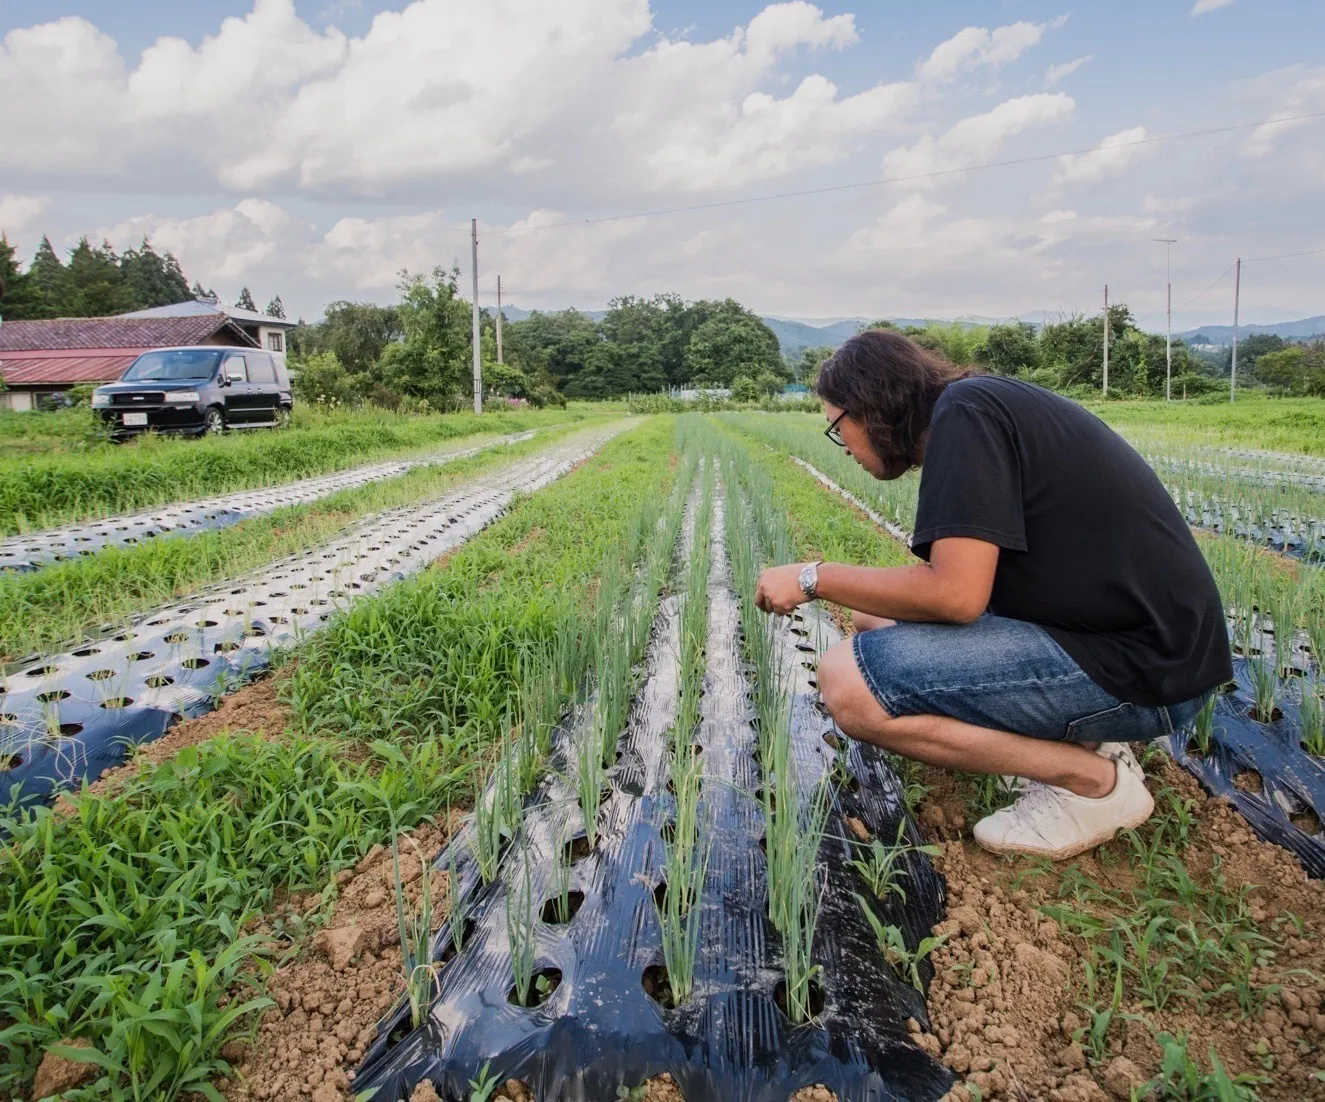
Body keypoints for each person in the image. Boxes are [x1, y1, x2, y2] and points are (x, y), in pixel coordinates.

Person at [753, 329, 1231, 860]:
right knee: (870, 618)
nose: (844, 449)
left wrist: (811, 578)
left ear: (869, 407)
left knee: (848, 684)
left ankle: (1091, 781)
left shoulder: (965, 415)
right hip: (1123, 641)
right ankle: (1083, 736)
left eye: (838, 429)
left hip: (1148, 671)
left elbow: (955, 595)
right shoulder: (972, 405)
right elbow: (957, 587)